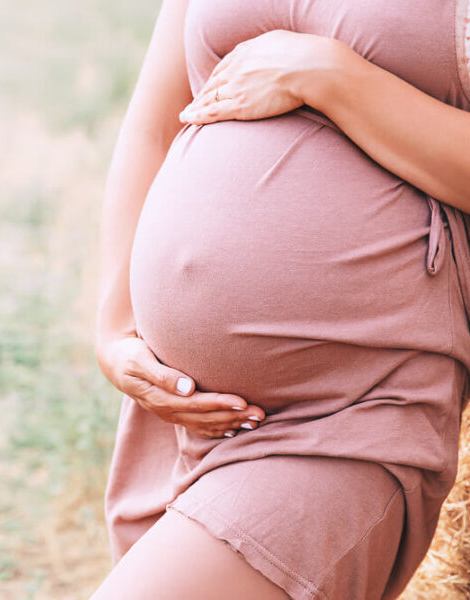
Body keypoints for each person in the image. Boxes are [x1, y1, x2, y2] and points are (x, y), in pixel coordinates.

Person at [91, 0, 470, 598]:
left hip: (344, 409)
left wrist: (332, 77)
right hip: (175, 414)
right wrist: (116, 327)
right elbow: (152, 124)